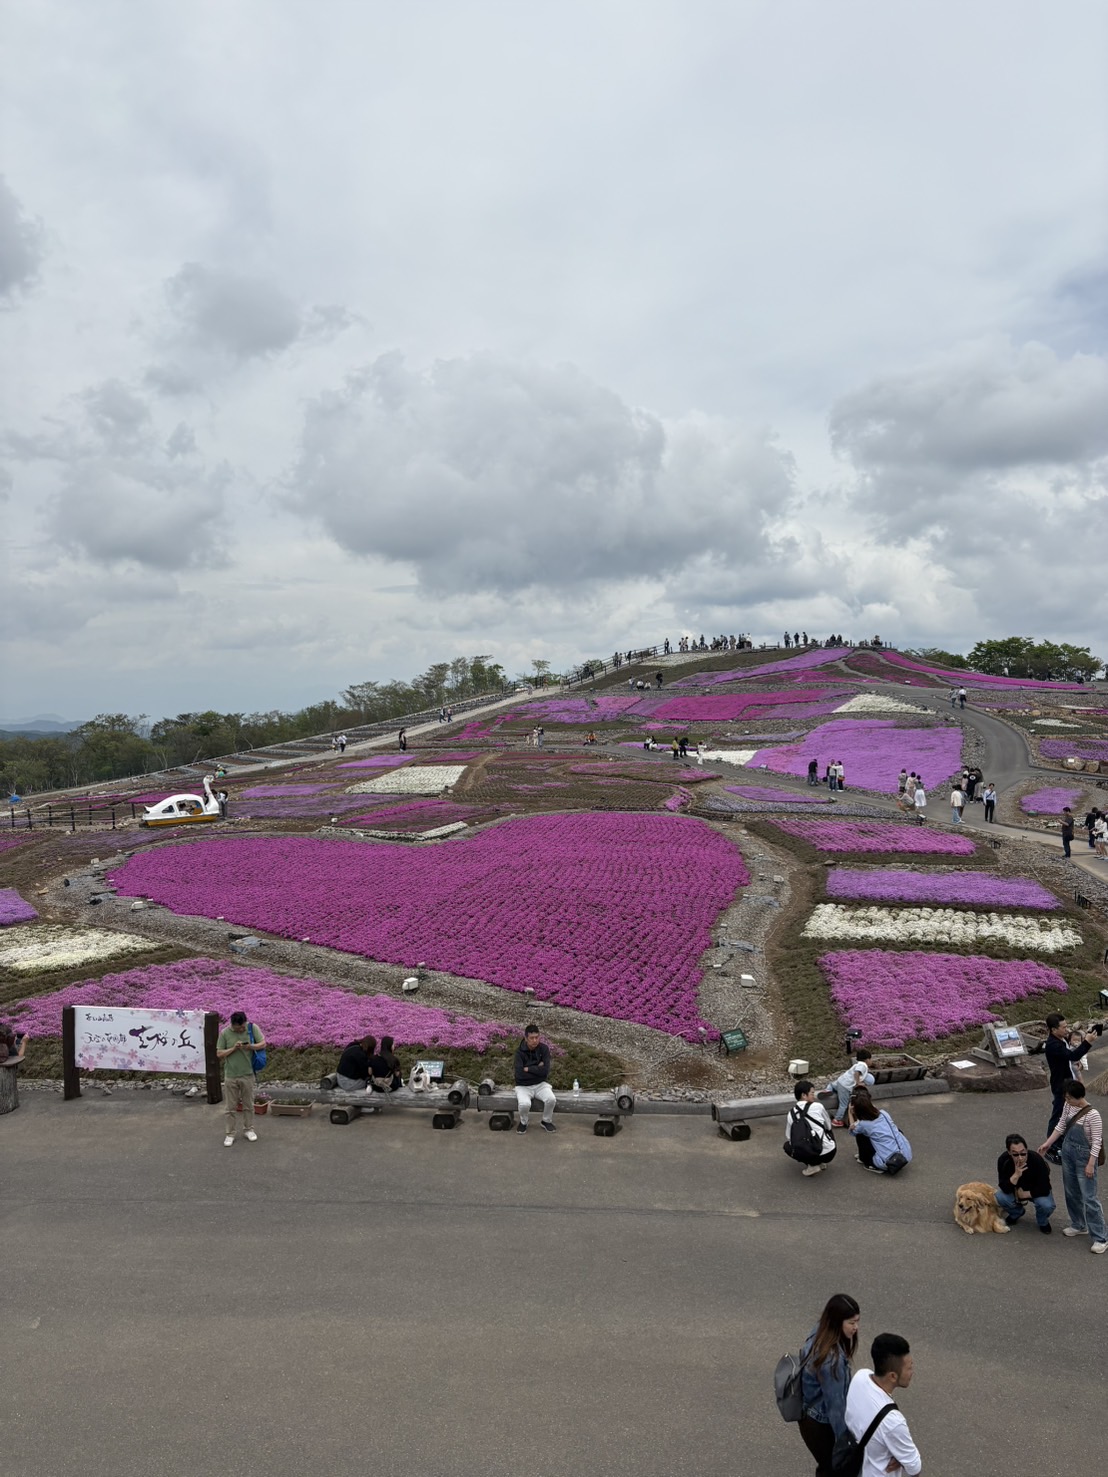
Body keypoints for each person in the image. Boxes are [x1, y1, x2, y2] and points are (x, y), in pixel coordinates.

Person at [1038, 1080, 1106, 1252]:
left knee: (1089, 1197)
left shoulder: (1093, 1115)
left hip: (1085, 1158)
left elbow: (1097, 1142)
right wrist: (1048, 1143)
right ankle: (1078, 1224)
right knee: (1071, 1191)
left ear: (1079, 1097)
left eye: (1069, 1098)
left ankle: (1101, 1237)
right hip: (1067, 1153)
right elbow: (1061, 1126)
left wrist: (1091, 1164)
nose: (1066, 1100)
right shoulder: (1068, 1107)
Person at [797, 1294, 861, 1477]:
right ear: (837, 1322)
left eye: (857, 1321)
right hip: (820, 1424)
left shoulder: (819, 1332)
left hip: (809, 1416)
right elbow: (836, 1407)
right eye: (851, 1323)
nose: (856, 1327)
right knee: (833, 1469)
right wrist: (846, 1443)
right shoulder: (832, 1360)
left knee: (826, 1467)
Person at [844, 1333, 922, 1477]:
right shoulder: (893, 1422)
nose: (912, 1372)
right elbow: (914, 1468)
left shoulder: (860, 1377)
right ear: (892, 1376)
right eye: (909, 1368)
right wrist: (901, 1458)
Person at [216, 1010, 265, 1147]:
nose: (242, 1029)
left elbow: (263, 1044)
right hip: (231, 1075)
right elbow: (219, 1053)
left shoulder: (252, 1028)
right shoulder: (225, 1033)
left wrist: (250, 1046)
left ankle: (249, 1129)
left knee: (248, 1105)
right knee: (230, 1107)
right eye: (239, 1027)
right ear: (233, 1025)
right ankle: (230, 1133)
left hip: (247, 1074)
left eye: (243, 1026)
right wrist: (234, 1048)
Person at [1043, 1013, 1097, 1136]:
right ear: (1053, 1029)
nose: (1066, 1029)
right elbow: (1072, 1055)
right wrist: (1087, 1042)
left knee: (1069, 1111)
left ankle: (1065, 1136)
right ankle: (1051, 1141)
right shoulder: (1053, 1045)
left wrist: (1079, 1065)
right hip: (1060, 1084)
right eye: (1063, 1027)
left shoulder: (1062, 1039)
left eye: (1067, 1026)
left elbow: (1071, 1056)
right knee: (1058, 1113)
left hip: (1069, 1080)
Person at [995, 1134, 1055, 1232]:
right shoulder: (1004, 1160)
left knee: (1047, 1205)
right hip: (1015, 1190)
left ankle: (1042, 1221)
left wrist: (1026, 1194)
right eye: (1015, 1154)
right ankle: (1016, 1212)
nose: (1020, 1158)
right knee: (1000, 1197)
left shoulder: (1036, 1160)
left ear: (1026, 1150)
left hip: (1035, 1190)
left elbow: (1045, 1188)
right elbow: (1004, 1187)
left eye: (1023, 1153)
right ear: (1009, 1152)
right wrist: (1015, 1176)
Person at [848, 1096, 911, 1174]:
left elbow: (852, 1131)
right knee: (893, 1130)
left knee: (861, 1135)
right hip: (906, 1155)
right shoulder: (883, 1113)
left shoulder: (863, 1124)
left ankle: (868, 1162)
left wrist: (850, 1112)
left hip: (888, 1163)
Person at [785, 1081, 837, 1177]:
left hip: (809, 1153)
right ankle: (821, 1162)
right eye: (812, 1093)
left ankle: (812, 1165)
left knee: (787, 1146)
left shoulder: (791, 1114)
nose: (814, 1096)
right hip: (829, 1152)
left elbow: (789, 1136)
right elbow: (828, 1126)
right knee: (827, 1130)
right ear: (804, 1095)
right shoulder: (818, 1106)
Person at [513, 1023, 557, 1133]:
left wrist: (528, 1069)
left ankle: (546, 1121)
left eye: (537, 1037)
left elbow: (545, 1071)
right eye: (531, 1038)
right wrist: (538, 1068)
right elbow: (519, 1075)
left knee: (551, 1099)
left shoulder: (544, 1049)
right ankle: (524, 1122)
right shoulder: (519, 1053)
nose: (535, 1040)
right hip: (523, 1086)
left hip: (540, 1084)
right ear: (526, 1038)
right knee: (524, 1104)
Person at [827, 1049, 875, 1127]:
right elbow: (857, 1073)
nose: (871, 1061)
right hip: (845, 1087)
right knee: (843, 1104)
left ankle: (828, 1089)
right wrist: (858, 1083)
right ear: (867, 1059)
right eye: (870, 1059)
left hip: (840, 1081)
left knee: (832, 1085)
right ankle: (837, 1120)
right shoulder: (863, 1065)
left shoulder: (857, 1064)